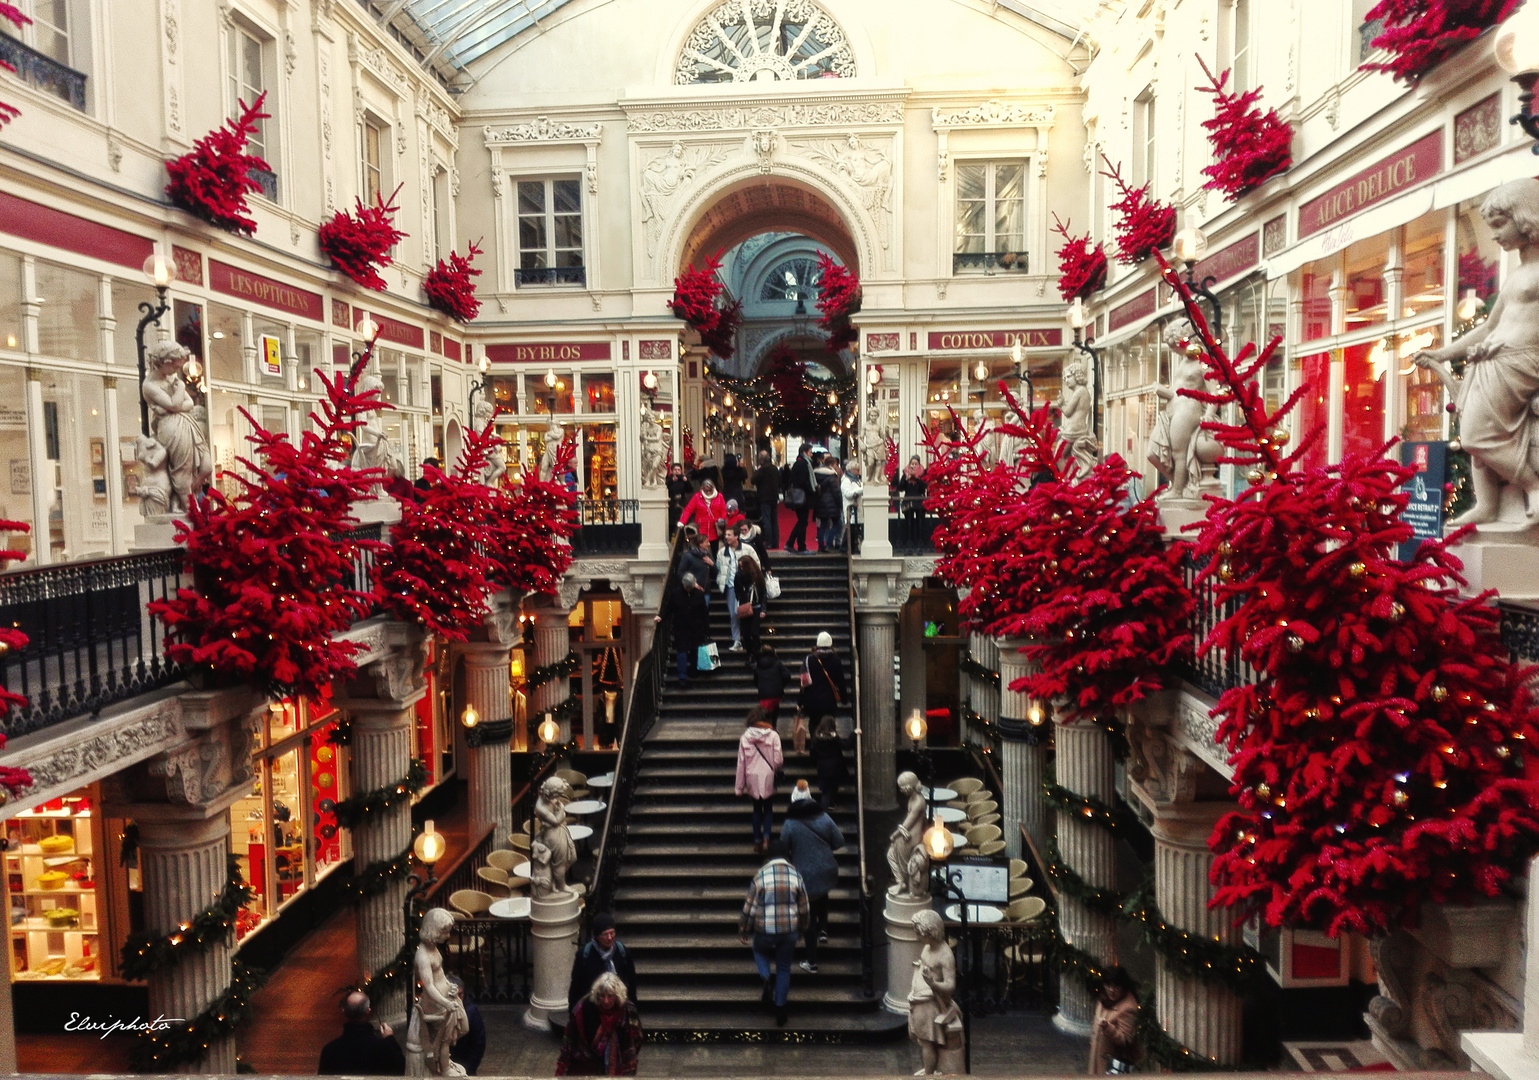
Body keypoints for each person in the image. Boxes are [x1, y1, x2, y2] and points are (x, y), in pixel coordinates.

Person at [738, 838, 809, 1027]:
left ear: (769, 855)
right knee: (784, 968)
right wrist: (802, 928)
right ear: (787, 855)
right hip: (789, 929)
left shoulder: (760, 876)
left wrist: (744, 928)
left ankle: (765, 977)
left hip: (765, 929)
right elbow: (804, 908)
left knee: (759, 949)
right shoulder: (796, 875)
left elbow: (750, 907)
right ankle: (780, 1010)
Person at [780, 780, 845, 973]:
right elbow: (839, 841)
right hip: (827, 869)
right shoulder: (824, 818)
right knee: (822, 895)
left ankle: (812, 961)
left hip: (804, 875)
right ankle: (823, 930)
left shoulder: (790, 824)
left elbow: (783, 849)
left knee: (808, 918)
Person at [555, 972, 643, 1077]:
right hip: (586, 1066)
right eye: (602, 996)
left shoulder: (628, 1010)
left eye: (610, 996)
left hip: (621, 1068)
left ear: (617, 996)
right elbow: (570, 1039)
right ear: (597, 995)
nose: (606, 1001)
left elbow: (636, 1038)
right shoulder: (582, 1009)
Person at [318, 991, 406, 1076]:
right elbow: (400, 1069)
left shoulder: (329, 1051)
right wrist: (389, 1038)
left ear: (344, 1012)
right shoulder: (384, 1048)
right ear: (368, 1011)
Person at [735, 705, 782, 853]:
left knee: (756, 810)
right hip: (768, 775)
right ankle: (767, 838)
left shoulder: (745, 738)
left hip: (752, 777)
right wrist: (773, 768)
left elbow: (741, 763)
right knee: (768, 809)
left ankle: (757, 840)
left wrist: (739, 787)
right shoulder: (773, 736)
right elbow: (778, 760)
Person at [568, 913, 638, 1013]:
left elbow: (632, 982)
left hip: (618, 1008)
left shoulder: (622, 952)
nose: (610, 938)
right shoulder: (584, 955)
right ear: (597, 936)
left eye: (612, 933)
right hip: (592, 1009)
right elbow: (575, 986)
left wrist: (633, 1007)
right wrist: (573, 1012)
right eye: (605, 934)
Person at [1090, 966, 1142, 1074]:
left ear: (1123, 987)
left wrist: (1108, 1028)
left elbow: (1126, 1040)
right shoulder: (1104, 998)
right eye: (1108, 985)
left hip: (1112, 1064)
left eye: (1116, 987)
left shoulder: (1128, 1007)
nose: (1111, 990)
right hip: (1098, 1057)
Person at [716, 528, 760, 652]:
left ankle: (749, 639)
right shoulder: (722, 552)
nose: (727, 537)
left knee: (746, 613)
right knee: (733, 614)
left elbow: (756, 563)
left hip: (747, 587)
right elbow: (720, 567)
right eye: (726, 535)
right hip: (730, 586)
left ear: (736, 536)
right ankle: (737, 640)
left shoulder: (747, 549)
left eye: (729, 535)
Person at [799, 631, 846, 736]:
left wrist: (800, 701)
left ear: (818, 644)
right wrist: (844, 698)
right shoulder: (836, 660)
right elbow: (841, 681)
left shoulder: (809, 660)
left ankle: (815, 747)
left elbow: (804, 683)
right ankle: (827, 747)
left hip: (812, 701)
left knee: (814, 726)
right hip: (829, 702)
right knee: (829, 726)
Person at [669, 572, 710, 687]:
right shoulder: (676, 594)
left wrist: (706, 629)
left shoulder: (698, 594)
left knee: (694, 650)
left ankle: (692, 671)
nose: (688, 589)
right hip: (682, 628)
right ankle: (683, 675)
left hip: (695, 628)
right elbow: (670, 608)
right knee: (682, 652)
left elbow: (704, 613)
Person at [447, 976, 485, 1076]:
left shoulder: (471, 1012)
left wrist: (469, 1068)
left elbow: (478, 1042)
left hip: (464, 1063)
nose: (458, 999)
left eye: (460, 995)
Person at [809, 716, 847, 810]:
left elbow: (812, 752)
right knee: (834, 787)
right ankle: (831, 803)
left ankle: (824, 811)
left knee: (825, 791)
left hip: (822, 766)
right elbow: (845, 746)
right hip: (835, 766)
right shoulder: (834, 738)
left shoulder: (817, 738)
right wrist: (853, 735)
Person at [678, 478, 727, 549]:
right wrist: (682, 521)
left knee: (714, 551)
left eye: (709, 490)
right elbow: (688, 510)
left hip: (715, 530)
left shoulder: (719, 497)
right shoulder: (697, 497)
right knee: (701, 550)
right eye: (706, 490)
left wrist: (722, 520)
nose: (708, 492)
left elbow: (723, 511)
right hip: (701, 530)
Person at [786, 443, 817, 553]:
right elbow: (803, 481)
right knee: (803, 522)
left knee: (802, 521)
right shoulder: (803, 464)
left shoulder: (799, 463)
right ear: (805, 452)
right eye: (810, 452)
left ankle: (792, 543)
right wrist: (812, 490)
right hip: (803, 497)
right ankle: (799, 546)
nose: (812, 454)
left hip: (800, 496)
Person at [754, 644, 794, 727]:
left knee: (765, 713)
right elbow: (787, 676)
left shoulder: (758, 664)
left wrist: (760, 687)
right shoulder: (777, 663)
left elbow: (755, 680)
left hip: (764, 694)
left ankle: (768, 729)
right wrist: (780, 685)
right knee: (775, 709)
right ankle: (773, 727)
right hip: (776, 693)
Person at [735, 555, 766, 661]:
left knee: (754, 633)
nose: (741, 569)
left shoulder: (757, 575)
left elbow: (763, 593)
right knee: (746, 634)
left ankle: (757, 653)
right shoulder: (739, 576)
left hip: (756, 606)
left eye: (743, 567)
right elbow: (737, 591)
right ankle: (750, 654)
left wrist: (763, 609)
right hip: (745, 605)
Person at [752, 449, 782, 549]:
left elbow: (753, 480)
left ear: (761, 460)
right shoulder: (774, 469)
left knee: (766, 520)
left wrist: (757, 470)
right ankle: (775, 542)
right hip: (774, 496)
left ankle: (768, 542)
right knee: (774, 520)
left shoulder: (762, 470)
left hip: (764, 497)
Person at [679, 534, 715, 611]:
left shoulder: (708, 555)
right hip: (692, 590)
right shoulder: (688, 556)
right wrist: (692, 583)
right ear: (700, 544)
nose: (709, 544)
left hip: (705, 591)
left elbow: (716, 573)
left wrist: (712, 564)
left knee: (704, 613)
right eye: (707, 542)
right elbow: (681, 572)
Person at [813, 455, 842, 552]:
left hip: (820, 502)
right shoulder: (832, 476)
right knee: (836, 523)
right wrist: (839, 504)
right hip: (831, 503)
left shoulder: (816, 473)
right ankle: (829, 544)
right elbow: (836, 492)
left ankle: (821, 546)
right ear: (831, 465)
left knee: (823, 525)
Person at [840, 459, 864, 554]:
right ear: (851, 470)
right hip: (851, 509)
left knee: (854, 529)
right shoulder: (846, 481)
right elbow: (848, 494)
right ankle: (846, 547)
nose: (858, 472)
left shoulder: (857, 480)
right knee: (851, 529)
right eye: (857, 470)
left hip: (857, 509)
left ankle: (853, 547)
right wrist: (860, 491)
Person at [666, 463, 692, 532]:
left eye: (679, 470)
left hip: (682, 503)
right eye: (675, 470)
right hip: (671, 504)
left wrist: (686, 481)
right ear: (671, 471)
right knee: (671, 524)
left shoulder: (683, 480)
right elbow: (665, 488)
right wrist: (671, 481)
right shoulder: (668, 479)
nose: (677, 471)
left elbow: (690, 490)